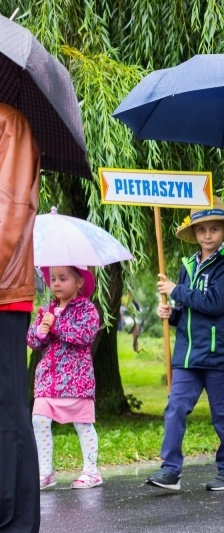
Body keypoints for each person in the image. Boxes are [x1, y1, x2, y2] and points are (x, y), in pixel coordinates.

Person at [145, 197, 224, 491]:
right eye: (201, 230)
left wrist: (176, 290)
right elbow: (189, 311)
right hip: (187, 355)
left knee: (221, 414)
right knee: (175, 408)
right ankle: (170, 470)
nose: (207, 235)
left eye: (214, 229)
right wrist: (172, 314)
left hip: (216, 354)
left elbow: (214, 303)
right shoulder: (188, 265)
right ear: (194, 233)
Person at [0, 103, 41, 532]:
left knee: (7, 413)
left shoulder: (9, 123)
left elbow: (9, 213)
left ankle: (15, 523)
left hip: (4, 293)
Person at [27, 266, 101, 489]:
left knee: (83, 425)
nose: (56, 283)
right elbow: (33, 341)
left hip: (76, 381)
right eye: (53, 279)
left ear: (79, 283)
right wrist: (41, 330)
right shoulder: (47, 310)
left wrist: (56, 325)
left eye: (63, 278)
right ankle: (45, 472)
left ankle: (91, 471)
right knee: (39, 420)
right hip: (47, 381)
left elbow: (85, 335)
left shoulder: (87, 309)